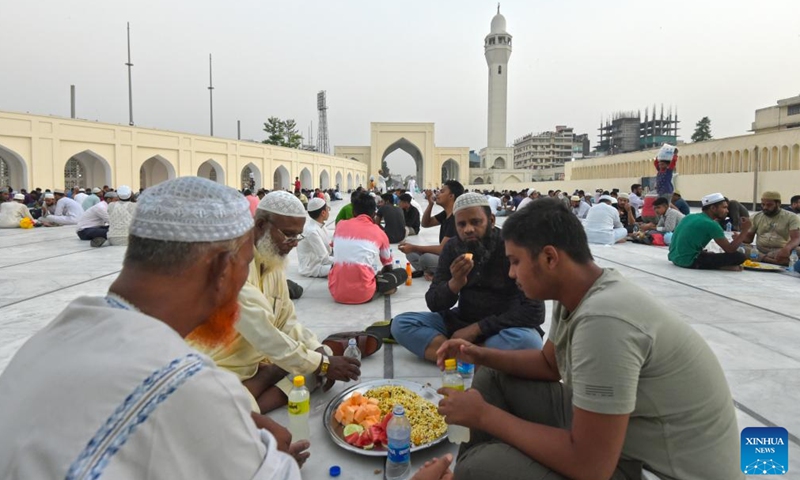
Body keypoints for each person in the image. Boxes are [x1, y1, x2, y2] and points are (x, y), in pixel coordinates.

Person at [0, 177, 304, 479]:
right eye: (245, 263)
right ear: (222, 268)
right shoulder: (185, 379)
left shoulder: (62, 330)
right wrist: (275, 459)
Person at [435, 198, 743, 480]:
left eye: (515, 262)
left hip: (655, 468)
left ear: (550, 258)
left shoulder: (604, 321)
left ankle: (474, 469)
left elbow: (591, 467)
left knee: (483, 466)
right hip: (627, 434)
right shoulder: (581, 290)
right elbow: (548, 365)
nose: (512, 274)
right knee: (492, 378)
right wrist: (477, 353)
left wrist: (485, 416)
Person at [193, 190, 360, 414]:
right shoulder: (232, 266)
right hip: (220, 365)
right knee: (218, 407)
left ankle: (265, 384)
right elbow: (264, 333)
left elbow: (286, 321)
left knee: (306, 369)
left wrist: (319, 351)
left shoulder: (271, 260)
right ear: (260, 225)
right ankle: (256, 394)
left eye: (297, 236)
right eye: (288, 235)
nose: (293, 244)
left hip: (260, 359)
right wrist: (323, 364)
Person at [391, 192, 545, 362]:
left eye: (476, 222)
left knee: (529, 341)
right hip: (462, 320)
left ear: (491, 221)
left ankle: (453, 353)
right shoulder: (452, 247)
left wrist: (477, 329)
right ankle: (473, 356)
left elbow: (535, 311)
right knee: (401, 324)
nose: (468, 229)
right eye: (461, 224)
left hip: (503, 326)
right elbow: (434, 303)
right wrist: (454, 284)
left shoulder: (510, 246)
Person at [329, 192, 408, 304]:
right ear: (374, 214)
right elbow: (388, 266)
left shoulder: (340, 225)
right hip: (363, 294)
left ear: (353, 212)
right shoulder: (379, 232)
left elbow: (333, 249)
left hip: (336, 292)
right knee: (402, 272)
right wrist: (380, 274)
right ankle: (383, 289)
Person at [399, 180, 464, 279]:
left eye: (442, 192)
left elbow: (442, 249)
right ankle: (431, 271)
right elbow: (425, 223)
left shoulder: (455, 218)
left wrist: (414, 247)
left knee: (426, 258)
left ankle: (441, 274)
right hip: (444, 256)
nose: (437, 194)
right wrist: (430, 204)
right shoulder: (446, 214)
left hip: (454, 261)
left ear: (451, 196)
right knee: (411, 254)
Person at [668, 193, 749, 270]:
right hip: (689, 261)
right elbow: (730, 250)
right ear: (713, 208)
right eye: (724, 208)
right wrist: (745, 230)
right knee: (739, 256)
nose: (727, 211)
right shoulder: (711, 224)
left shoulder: (689, 216)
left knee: (709, 253)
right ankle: (722, 267)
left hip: (674, 257)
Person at [736, 191, 800, 266]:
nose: (765, 207)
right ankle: (772, 260)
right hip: (760, 250)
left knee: (797, 250)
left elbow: (796, 238)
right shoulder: (756, 216)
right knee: (738, 247)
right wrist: (739, 237)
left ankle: (763, 259)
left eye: (769, 205)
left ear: (778, 204)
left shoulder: (791, 217)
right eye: (763, 204)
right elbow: (749, 239)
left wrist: (786, 249)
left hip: (781, 250)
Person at [296, 197, 334, 277]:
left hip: (319, 262)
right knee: (349, 268)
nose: (329, 211)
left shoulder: (320, 226)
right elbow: (325, 259)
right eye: (328, 209)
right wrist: (346, 260)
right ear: (323, 213)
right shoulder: (312, 231)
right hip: (312, 267)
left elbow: (329, 248)